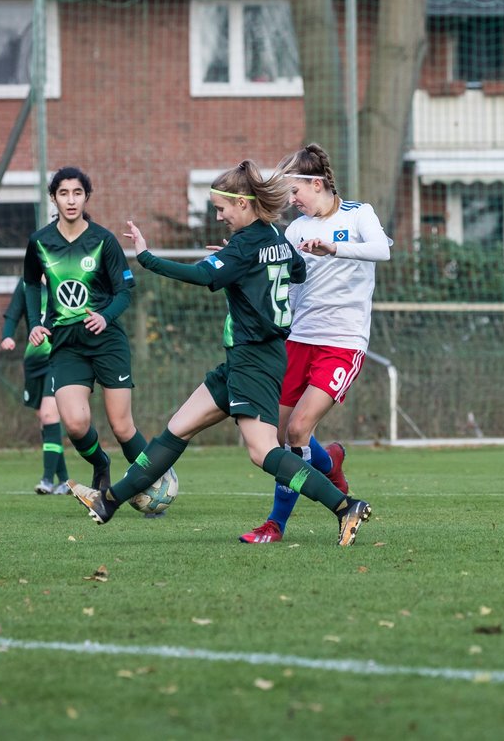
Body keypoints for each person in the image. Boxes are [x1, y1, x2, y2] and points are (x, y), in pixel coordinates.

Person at [67, 159, 373, 547]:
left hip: (255, 361)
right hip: (243, 359)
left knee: (263, 452)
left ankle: (344, 505)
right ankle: (108, 502)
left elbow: (203, 275)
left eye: (221, 207)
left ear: (243, 203)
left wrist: (146, 258)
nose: (219, 215)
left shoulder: (247, 246)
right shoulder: (276, 237)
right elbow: (297, 270)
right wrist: (244, 268)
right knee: (179, 427)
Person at [239, 143, 391, 544]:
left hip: (342, 342)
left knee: (300, 428)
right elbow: (281, 280)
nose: (292, 201)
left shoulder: (359, 214)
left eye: (295, 192)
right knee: (276, 436)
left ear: (318, 183)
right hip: (298, 340)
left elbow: (382, 251)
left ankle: (275, 524)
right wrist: (241, 265)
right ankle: (331, 461)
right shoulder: (295, 229)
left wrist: (334, 247)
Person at [22, 166, 146, 494]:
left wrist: (105, 317)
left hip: (105, 341)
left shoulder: (103, 240)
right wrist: (35, 323)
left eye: (77, 193)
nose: (71, 200)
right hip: (66, 343)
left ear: (86, 197)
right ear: (54, 198)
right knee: (76, 424)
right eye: (64, 193)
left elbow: (123, 293)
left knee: (122, 426)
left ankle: (151, 481)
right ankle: (101, 464)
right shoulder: (40, 242)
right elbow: (31, 284)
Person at [0, 277, 68, 494]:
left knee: (49, 415)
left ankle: (47, 480)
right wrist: (7, 336)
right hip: (34, 360)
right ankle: (65, 480)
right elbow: (13, 313)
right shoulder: (26, 283)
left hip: (59, 357)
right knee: (45, 420)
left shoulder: (65, 276)